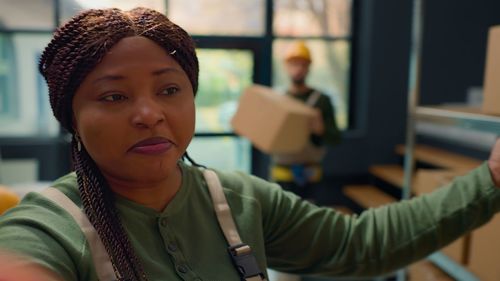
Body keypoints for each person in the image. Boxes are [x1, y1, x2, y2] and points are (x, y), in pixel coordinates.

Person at [0, 7, 499, 281]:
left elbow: (357, 244)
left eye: (170, 89)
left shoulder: (237, 201)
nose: (150, 113)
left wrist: (491, 176)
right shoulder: (53, 225)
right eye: (113, 96)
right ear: (72, 116)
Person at [270, 40, 341, 200]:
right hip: (282, 172)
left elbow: (336, 138)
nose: (299, 69)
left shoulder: (321, 100)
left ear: (309, 67)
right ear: (286, 66)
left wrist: (321, 130)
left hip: (310, 174)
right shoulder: (278, 100)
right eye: (294, 64)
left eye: (303, 64)